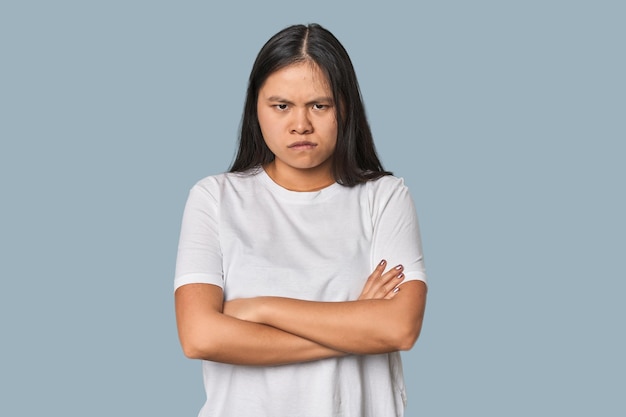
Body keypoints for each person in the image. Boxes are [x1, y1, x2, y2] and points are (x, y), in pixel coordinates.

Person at [174, 23, 428, 417]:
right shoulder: (215, 198)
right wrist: (357, 327)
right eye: (281, 106)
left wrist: (259, 309)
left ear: (345, 108)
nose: (300, 125)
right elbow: (199, 336)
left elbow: (399, 329)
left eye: (319, 105)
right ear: (255, 108)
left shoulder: (385, 197)